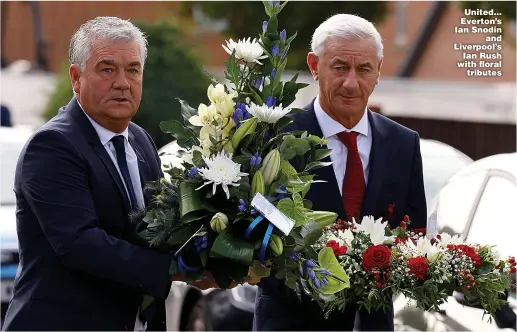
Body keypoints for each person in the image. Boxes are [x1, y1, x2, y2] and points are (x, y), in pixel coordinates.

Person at [1, 16, 211, 331]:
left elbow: (154, 232)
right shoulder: (52, 146)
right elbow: (81, 244)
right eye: (107, 69)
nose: (123, 82)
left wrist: (219, 253)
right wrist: (177, 269)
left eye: (133, 70)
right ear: (76, 77)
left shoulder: (140, 140)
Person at [253, 13, 427, 331]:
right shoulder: (274, 137)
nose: (351, 82)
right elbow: (255, 230)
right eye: (339, 67)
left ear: (378, 71)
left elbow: (414, 236)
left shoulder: (404, 143)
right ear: (314, 65)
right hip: (291, 322)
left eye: (363, 69)